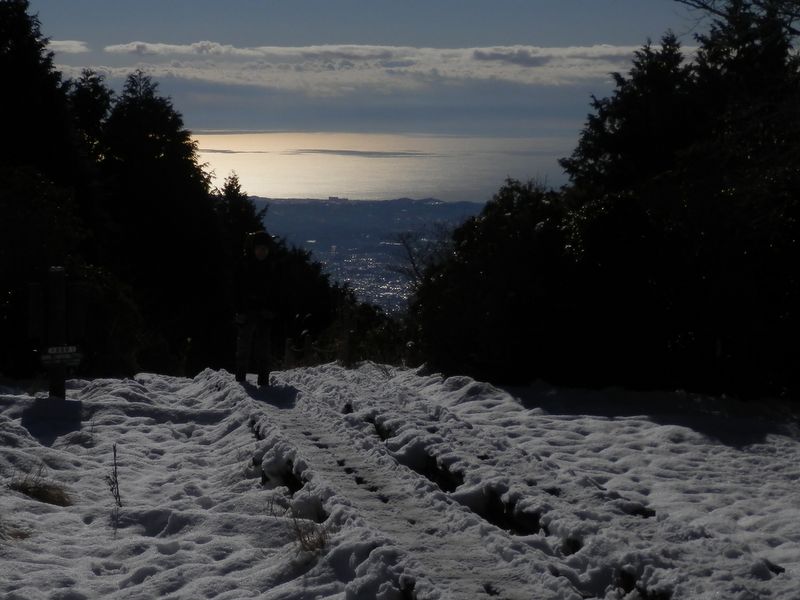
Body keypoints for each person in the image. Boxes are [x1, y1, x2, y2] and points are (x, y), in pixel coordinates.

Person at [234, 231, 276, 386]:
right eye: (259, 248)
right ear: (253, 248)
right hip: (247, 311)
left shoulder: (271, 267)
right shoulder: (245, 265)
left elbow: (276, 292)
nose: (262, 252)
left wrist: (271, 310)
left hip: (263, 313)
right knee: (243, 348)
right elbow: (237, 290)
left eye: (264, 249)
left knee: (263, 349)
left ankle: (263, 382)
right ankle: (240, 380)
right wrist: (239, 311)